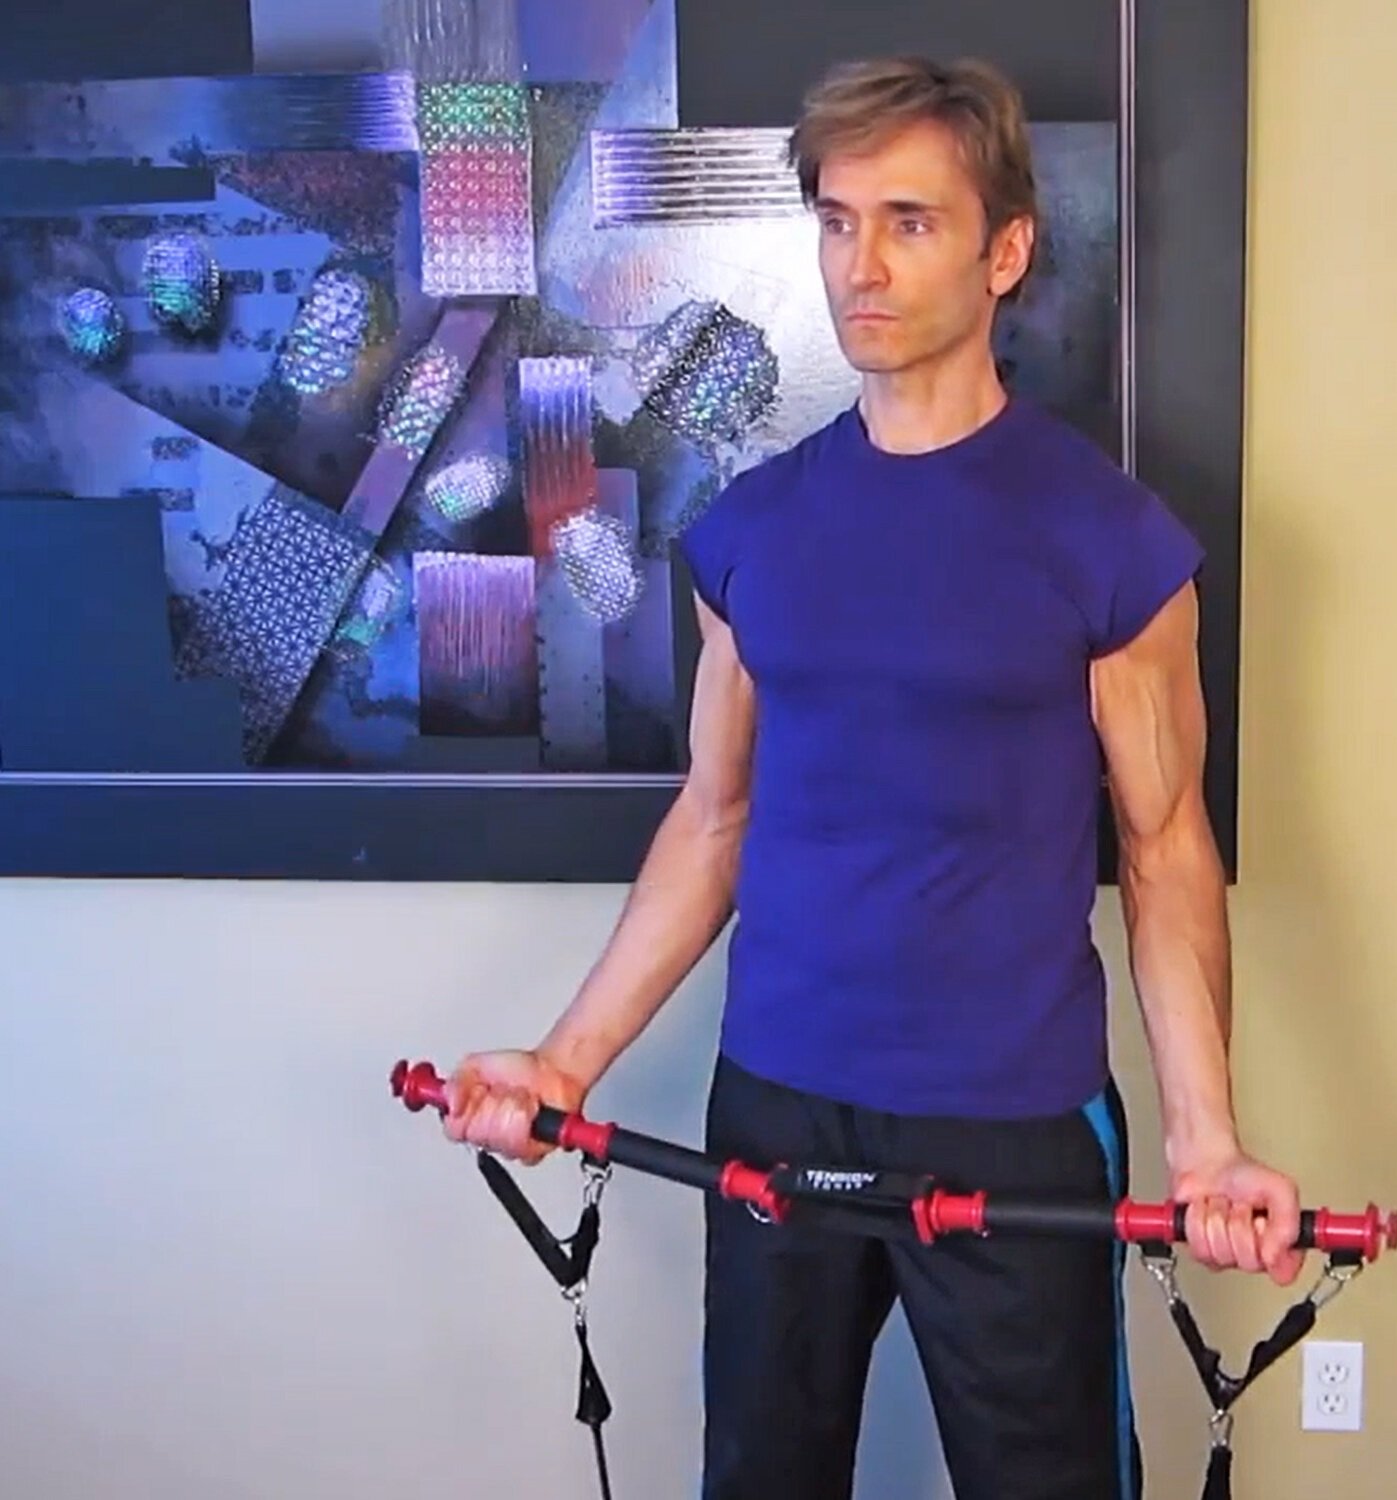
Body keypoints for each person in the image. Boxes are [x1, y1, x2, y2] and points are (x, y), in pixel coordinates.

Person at [444, 55, 1303, 1500]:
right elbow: (713, 820)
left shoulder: (1109, 544)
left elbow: (1166, 854)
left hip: (1014, 1123)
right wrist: (563, 1061)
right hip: (777, 1106)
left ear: (1005, 250)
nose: (862, 263)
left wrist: (1206, 1145)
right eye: (838, 222)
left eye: (909, 220)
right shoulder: (755, 534)